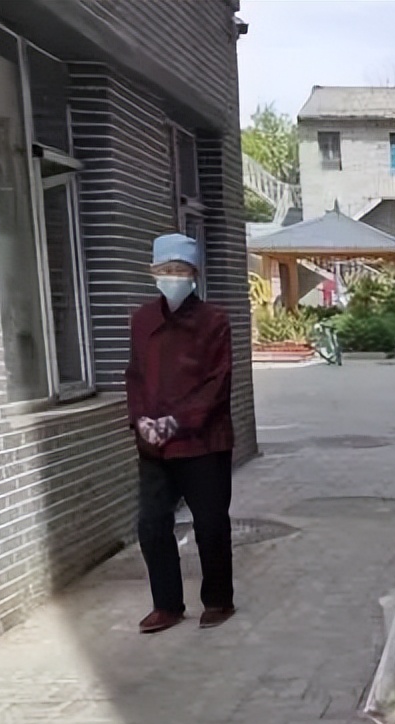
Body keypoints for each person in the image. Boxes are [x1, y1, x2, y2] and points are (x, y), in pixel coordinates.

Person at [126, 233, 235, 634]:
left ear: (194, 275)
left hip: (203, 441)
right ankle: (167, 604)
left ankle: (219, 600)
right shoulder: (141, 321)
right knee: (152, 523)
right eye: (165, 270)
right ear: (153, 272)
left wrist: (177, 421)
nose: (172, 276)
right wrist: (141, 421)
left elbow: (217, 382)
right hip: (154, 445)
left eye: (181, 270)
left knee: (210, 524)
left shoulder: (214, 321)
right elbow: (134, 376)